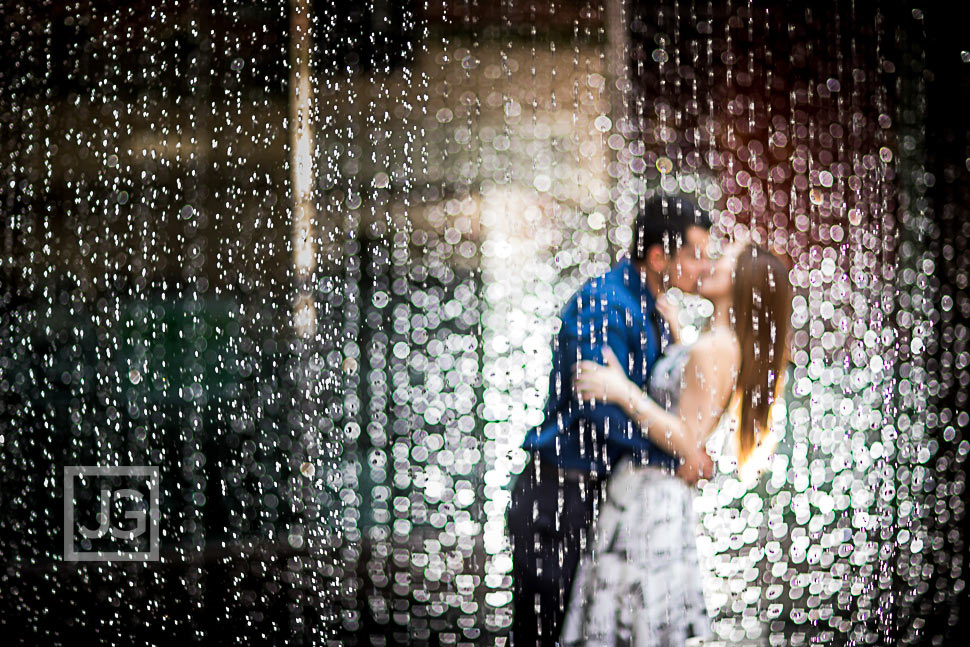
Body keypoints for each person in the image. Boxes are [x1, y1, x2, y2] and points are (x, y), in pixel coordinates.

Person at [559, 242, 793, 647]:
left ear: (739, 282)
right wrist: (678, 338)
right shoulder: (714, 340)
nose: (709, 266)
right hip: (651, 495)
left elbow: (687, 439)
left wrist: (622, 392)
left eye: (722, 263)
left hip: (651, 503)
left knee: (628, 622)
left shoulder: (715, 347)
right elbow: (694, 409)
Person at [507, 194, 714, 647]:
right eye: (695, 254)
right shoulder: (605, 304)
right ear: (659, 256)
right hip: (561, 499)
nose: (704, 266)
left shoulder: (651, 307)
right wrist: (674, 452)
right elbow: (598, 410)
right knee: (549, 636)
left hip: (600, 497)